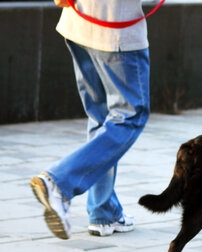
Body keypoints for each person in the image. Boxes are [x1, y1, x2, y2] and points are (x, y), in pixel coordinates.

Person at [30, 0, 151, 239]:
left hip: (79, 23)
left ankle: (103, 212)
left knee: (101, 117)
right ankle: (58, 183)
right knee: (130, 116)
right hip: (116, 29)